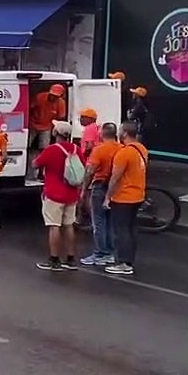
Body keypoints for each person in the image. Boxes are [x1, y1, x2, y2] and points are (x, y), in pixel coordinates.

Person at [32, 120, 83, 271]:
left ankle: (54, 259)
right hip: (71, 193)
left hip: (54, 193)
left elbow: (36, 164)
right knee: (69, 225)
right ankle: (70, 258)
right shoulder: (76, 148)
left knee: (54, 225)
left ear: (55, 133)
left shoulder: (52, 150)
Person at [104, 121, 148, 276]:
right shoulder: (141, 149)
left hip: (124, 197)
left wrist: (107, 197)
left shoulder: (124, 153)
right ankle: (129, 260)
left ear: (124, 134)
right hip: (138, 195)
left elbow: (115, 177)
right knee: (130, 229)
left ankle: (123, 263)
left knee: (121, 230)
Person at [80, 122, 121, 267]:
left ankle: (100, 253)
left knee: (98, 221)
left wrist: (84, 188)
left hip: (100, 186)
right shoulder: (121, 148)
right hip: (116, 188)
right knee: (110, 222)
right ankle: (110, 252)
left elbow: (90, 171)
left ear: (102, 134)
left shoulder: (99, 150)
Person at [28, 83, 67, 180]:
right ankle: (26, 170)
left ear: (60, 97)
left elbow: (60, 118)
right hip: (32, 125)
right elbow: (29, 108)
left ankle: (41, 173)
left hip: (46, 127)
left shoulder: (61, 103)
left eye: (55, 96)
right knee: (26, 147)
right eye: (52, 95)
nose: (53, 97)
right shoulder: (40, 97)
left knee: (44, 150)